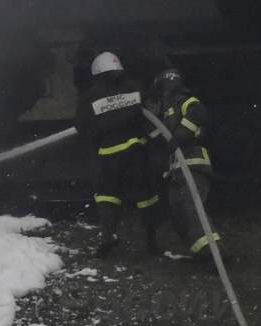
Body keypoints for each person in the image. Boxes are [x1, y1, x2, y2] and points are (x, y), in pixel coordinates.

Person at [74, 51, 160, 256]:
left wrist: (98, 134)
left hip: (110, 154)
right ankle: (151, 240)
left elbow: (81, 127)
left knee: (106, 194)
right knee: (146, 195)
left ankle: (109, 235)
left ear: (96, 73)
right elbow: (146, 113)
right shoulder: (134, 88)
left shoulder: (89, 97)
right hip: (138, 152)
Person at [152, 68, 219, 261]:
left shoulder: (188, 102)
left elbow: (197, 115)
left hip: (193, 163)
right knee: (178, 213)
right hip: (176, 169)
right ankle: (201, 252)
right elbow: (155, 137)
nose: (165, 93)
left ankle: (217, 252)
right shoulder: (163, 114)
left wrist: (179, 136)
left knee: (192, 208)